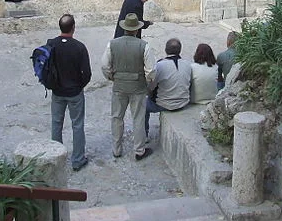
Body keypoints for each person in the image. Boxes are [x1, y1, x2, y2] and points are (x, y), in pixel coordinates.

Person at [101, 13, 156, 161]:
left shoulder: (112, 44)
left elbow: (104, 65)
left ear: (124, 28)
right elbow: (151, 70)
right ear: (137, 30)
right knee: (138, 118)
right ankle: (139, 150)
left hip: (119, 86)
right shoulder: (144, 46)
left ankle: (116, 149)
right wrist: (148, 82)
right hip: (138, 87)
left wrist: (111, 77)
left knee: (117, 117)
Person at [48, 14, 92, 171]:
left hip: (57, 91)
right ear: (73, 27)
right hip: (74, 92)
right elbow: (87, 73)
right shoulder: (79, 47)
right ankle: (78, 159)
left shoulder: (51, 44)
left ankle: (55, 158)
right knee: (77, 125)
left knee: (56, 123)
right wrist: (79, 86)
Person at [145, 38, 191, 137]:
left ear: (166, 50)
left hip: (164, 104)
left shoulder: (159, 65)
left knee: (142, 106)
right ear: (180, 50)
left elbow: (151, 87)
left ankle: (144, 135)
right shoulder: (188, 64)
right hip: (183, 102)